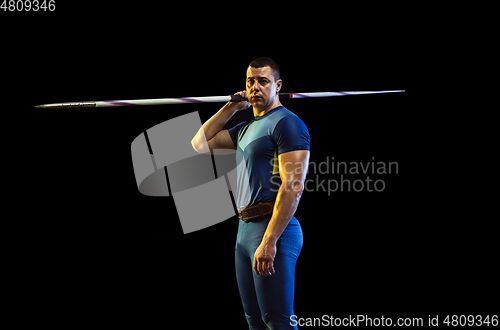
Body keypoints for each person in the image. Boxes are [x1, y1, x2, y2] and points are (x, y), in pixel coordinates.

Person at [191, 57, 310, 329]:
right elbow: (199, 143)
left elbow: (294, 185)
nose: (255, 87)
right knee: (254, 322)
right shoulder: (244, 128)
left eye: (263, 81)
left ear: (278, 85)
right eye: (250, 81)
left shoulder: (287, 123)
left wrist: (269, 241)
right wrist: (231, 107)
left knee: (277, 321)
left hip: (273, 230)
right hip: (244, 230)